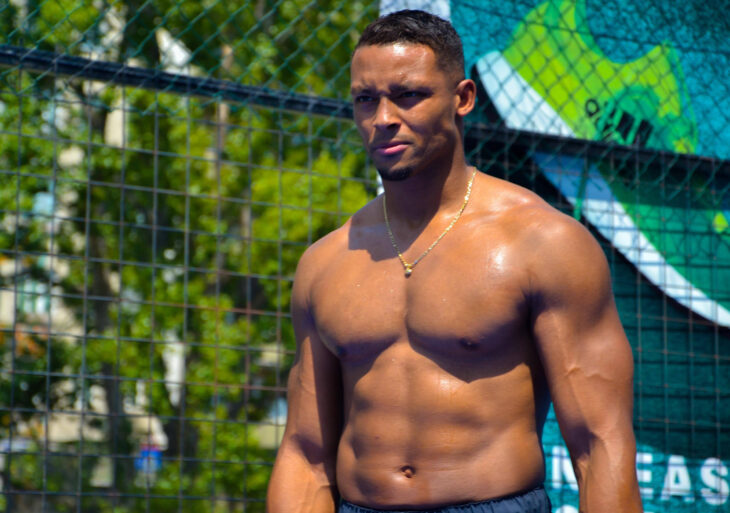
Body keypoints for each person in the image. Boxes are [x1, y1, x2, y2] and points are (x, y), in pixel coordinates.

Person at [267, 9, 643, 513]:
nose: (383, 118)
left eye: (408, 95)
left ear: (462, 98)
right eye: (365, 99)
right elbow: (305, 455)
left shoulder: (543, 243)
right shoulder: (326, 262)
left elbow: (600, 443)